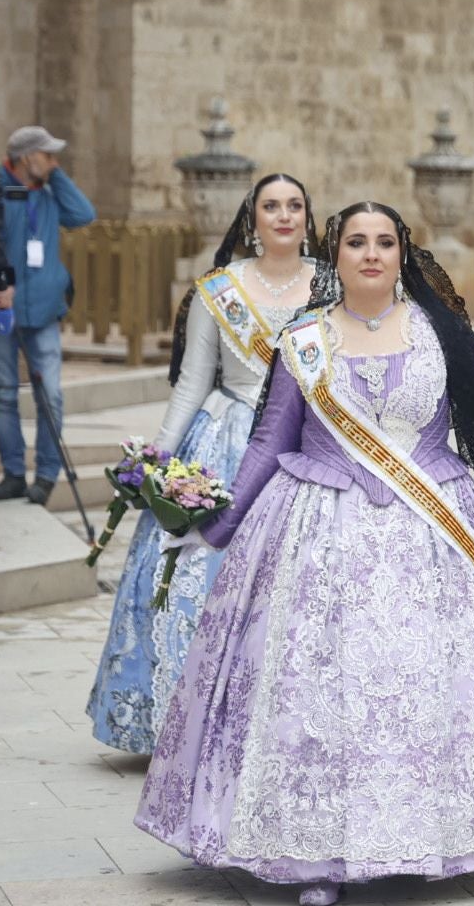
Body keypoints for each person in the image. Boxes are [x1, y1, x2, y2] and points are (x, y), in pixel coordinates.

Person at [135, 202, 474, 905]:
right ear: (335, 256)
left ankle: (432, 832)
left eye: (384, 242)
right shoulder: (303, 341)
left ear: (402, 254)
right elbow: (269, 443)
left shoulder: (440, 333)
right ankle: (316, 854)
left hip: (433, 535)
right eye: (355, 242)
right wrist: (214, 525)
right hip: (317, 533)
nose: (370, 254)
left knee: (428, 689)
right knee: (318, 693)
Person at [86, 173, 318, 754]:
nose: (284, 216)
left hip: (308, 447)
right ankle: (182, 719)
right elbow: (191, 384)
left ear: (308, 218)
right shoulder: (219, 290)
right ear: (251, 219)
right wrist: (157, 461)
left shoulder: (331, 286)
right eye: (271, 206)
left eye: (295, 206)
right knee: (193, 575)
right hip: (226, 443)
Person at [0, 126, 96, 504]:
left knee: (50, 396)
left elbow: (84, 215)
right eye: (47, 155)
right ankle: (14, 473)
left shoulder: (52, 193)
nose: (55, 161)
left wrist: (54, 174)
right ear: (24, 158)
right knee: (3, 394)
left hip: (45, 312)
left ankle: (47, 474)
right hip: (2, 311)